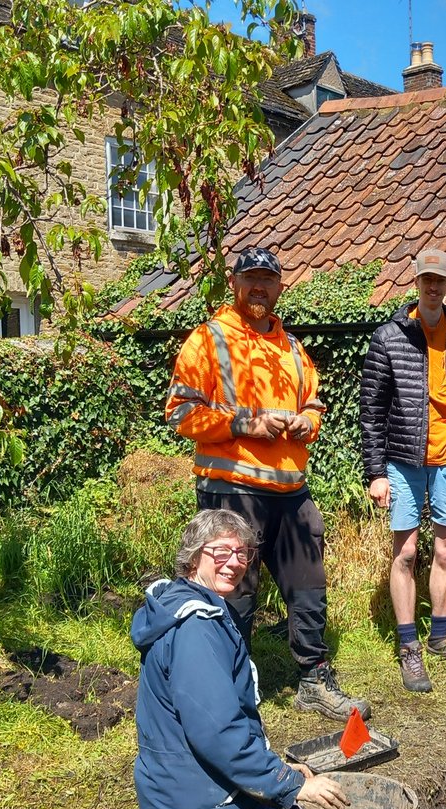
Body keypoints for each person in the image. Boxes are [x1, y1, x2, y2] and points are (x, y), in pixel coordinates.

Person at [165, 246, 369, 722]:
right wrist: (244, 424)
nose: (259, 287)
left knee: (309, 586)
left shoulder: (292, 348)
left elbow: (314, 404)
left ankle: (314, 681)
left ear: (280, 287)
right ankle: (227, 686)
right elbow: (179, 412)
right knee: (233, 589)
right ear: (234, 284)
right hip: (232, 488)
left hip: (291, 492)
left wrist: (306, 423)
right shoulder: (208, 340)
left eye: (268, 280)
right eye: (250, 279)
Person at [117, 509, 351, 809]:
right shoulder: (196, 629)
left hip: (175, 794)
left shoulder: (182, 605)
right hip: (203, 807)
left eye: (243, 553)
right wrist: (290, 785)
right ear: (194, 557)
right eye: (222, 552)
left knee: (309, 808)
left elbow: (217, 724)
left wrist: (281, 772)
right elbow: (220, 734)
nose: (235, 562)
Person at [359, 247, 446, 693]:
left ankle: (440, 636)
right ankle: (408, 645)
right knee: (405, 553)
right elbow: (371, 410)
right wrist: (375, 472)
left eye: (440, 280)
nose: (433, 286)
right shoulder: (389, 337)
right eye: (427, 280)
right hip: (402, 461)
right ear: (416, 283)